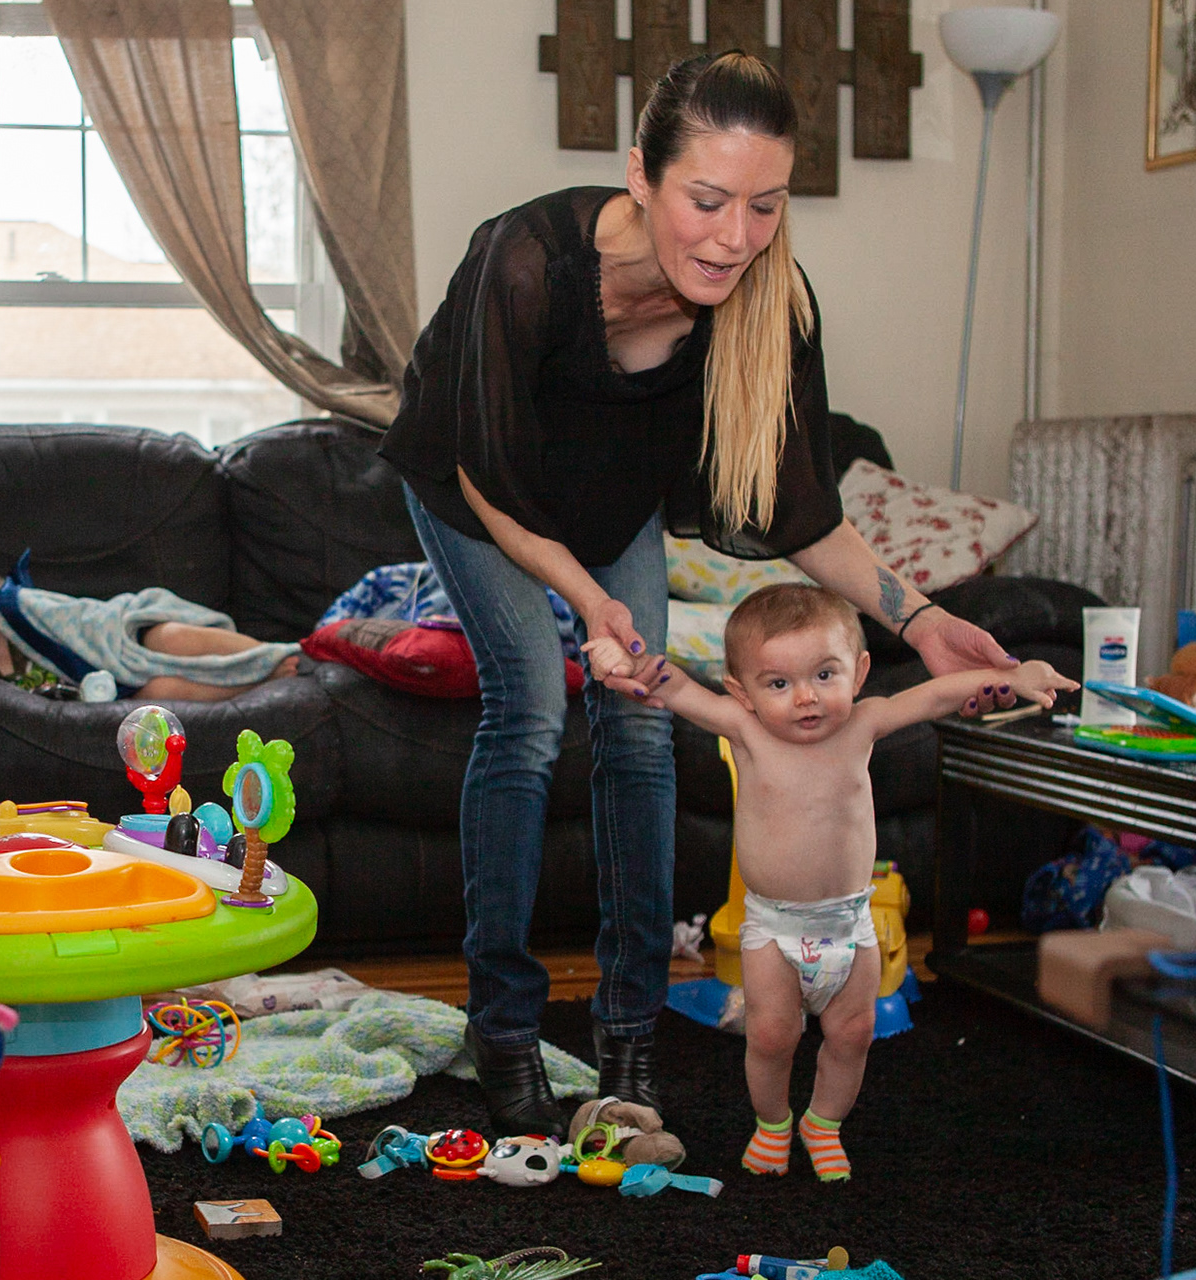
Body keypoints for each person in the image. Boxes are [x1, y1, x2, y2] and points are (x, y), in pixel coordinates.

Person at [377, 50, 1018, 1133]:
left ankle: (628, 1033)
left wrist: (919, 615)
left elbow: (803, 507)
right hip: (475, 488)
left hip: (607, 502)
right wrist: (590, 605)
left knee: (638, 729)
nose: (734, 236)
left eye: (764, 206)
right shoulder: (523, 259)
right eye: (708, 199)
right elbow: (488, 468)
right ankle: (501, 1021)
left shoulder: (768, 300)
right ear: (642, 174)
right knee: (533, 706)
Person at [587, 584, 1075, 1177]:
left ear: (860, 671)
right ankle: (772, 1125)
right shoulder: (745, 731)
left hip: (850, 923)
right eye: (778, 684)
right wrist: (634, 664)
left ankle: (822, 1122)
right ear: (741, 692)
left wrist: (1017, 675)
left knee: (855, 1031)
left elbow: (934, 694)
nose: (806, 699)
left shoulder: (863, 724)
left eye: (824, 675)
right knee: (771, 1036)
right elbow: (681, 688)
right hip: (773, 928)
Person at [0, 536, 301, 702]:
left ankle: (275, 652)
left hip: (123, 631)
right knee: (159, 692)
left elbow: (83, 623)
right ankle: (266, 678)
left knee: (168, 636)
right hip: (119, 690)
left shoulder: (17, 608)